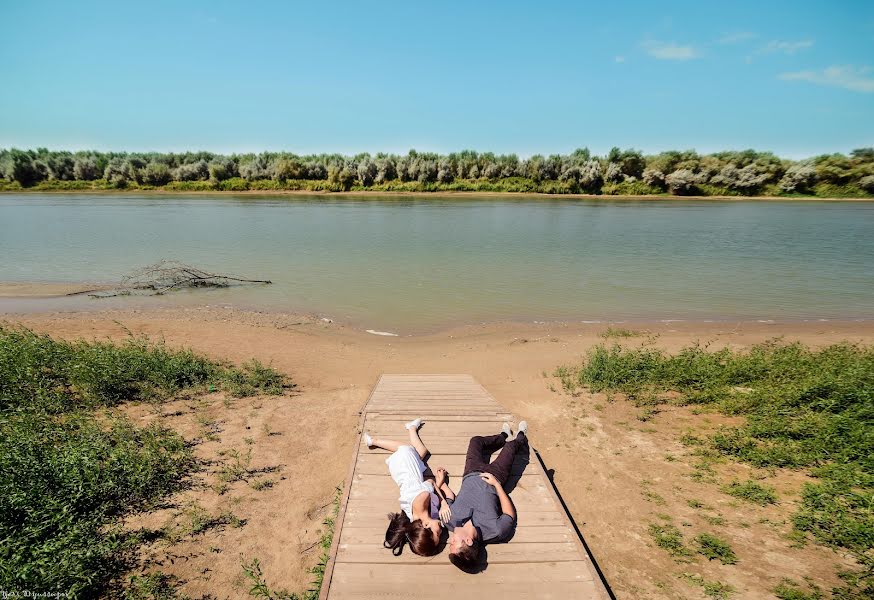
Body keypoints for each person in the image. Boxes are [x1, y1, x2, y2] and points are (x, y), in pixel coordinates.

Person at [442, 421, 529, 572]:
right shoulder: (496, 531)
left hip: (471, 471)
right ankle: (521, 437)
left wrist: (441, 484)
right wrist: (496, 485)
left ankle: (502, 436)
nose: (450, 539)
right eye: (453, 543)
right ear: (468, 541)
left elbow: (448, 498)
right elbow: (509, 514)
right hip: (496, 475)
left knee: (475, 441)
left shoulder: (449, 520)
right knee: (510, 447)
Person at [363, 418, 454, 556]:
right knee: (422, 451)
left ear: (426, 525)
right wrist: (440, 484)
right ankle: (411, 428)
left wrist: (443, 503)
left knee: (406, 449)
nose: (441, 532)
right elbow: (431, 490)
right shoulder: (418, 518)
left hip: (405, 467)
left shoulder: (420, 502)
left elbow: (430, 482)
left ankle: (373, 441)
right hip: (411, 476)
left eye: (437, 533)